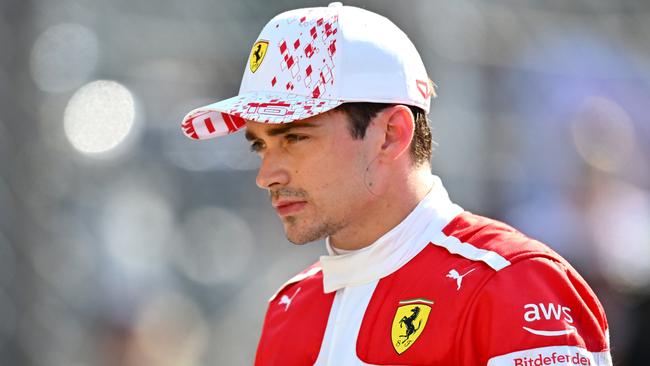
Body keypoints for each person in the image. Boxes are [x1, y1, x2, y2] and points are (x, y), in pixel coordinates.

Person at [181, 3, 612, 365]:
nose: (265, 175)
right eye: (260, 146)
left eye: (295, 137)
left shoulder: (513, 286)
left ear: (391, 134)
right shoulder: (290, 307)